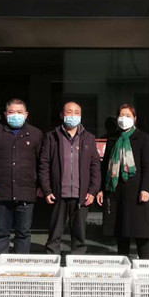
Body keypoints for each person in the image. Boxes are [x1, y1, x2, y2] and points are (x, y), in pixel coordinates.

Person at [0, 98, 43, 255]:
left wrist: (42, 186)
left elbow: (42, 162)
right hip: (0, 191)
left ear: (26, 114)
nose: (16, 115)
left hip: (26, 191)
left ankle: (20, 265)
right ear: (5, 114)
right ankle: (1, 264)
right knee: (1, 232)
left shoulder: (35, 134)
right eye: (12, 112)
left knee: (23, 233)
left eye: (19, 112)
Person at [39, 101, 101, 256]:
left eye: (76, 112)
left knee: (79, 235)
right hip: (58, 194)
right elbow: (44, 165)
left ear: (81, 116)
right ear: (62, 115)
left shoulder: (89, 138)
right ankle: (52, 262)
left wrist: (93, 191)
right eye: (69, 112)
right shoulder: (52, 137)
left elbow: (95, 166)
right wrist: (46, 190)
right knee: (54, 234)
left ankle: (77, 263)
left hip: (81, 195)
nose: (73, 116)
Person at [98, 104, 149, 259]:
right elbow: (105, 166)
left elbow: (148, 166)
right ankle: (123, 263)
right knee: (121, 229)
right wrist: (102, 188)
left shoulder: (143, 138)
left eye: (128, 115)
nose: (124, 119)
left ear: (134, 119)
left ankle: (144, 264)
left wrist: (146, 189)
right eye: (121, 115)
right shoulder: (112, 138)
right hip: (117, 190)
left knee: (141, 230)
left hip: (137, 192)